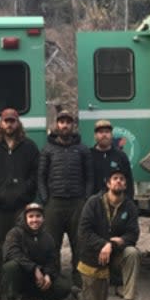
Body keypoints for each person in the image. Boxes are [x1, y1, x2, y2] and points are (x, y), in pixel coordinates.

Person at [0, 108, 40, 295]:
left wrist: (24, 191)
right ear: (1, 123)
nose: (9, 124)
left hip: (21, 206)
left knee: (23, 246)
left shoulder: (29, 147)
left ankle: (23, 290)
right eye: (6, 121)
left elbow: (35, 174)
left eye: (13, 121)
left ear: (18, 123)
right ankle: (0, 289)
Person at [76, 170, 141, 300]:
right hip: (94, 257)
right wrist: (104, 244)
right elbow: (83, 232)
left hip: (117, 254)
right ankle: (81, 295)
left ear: (125, 184)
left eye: (122, 179)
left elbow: (133, 234)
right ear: (108, 184)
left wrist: (112, 244)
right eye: (115, 178)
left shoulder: (130, 206)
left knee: (132, 253)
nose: (118, 181)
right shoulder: (93, 202)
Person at [38, 108, 92, 284]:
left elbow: (90, 177)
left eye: (68, 122)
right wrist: (46, 199)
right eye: (62, 122)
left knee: (79, 244)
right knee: (52, 246)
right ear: (57, 125)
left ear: (73, 125)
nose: (65, 125)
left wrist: (86, 199)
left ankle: (79, 283)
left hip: (77, 203)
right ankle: (54, 283)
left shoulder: (82, 149)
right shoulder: (48, 149)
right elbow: (41, 176)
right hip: (54, 203)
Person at [2, 202, 71, 300]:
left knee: (63, 287)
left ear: (43, 218)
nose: (35, 220)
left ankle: (31, 299)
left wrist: (48, 274)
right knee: (11, 266)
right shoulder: (15, 233)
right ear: (25, 218)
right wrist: (34, 268)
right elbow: (12, 253)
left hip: (37, 279)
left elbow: (52, 259)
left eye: (38, 216)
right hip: (20, 276)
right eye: (31, 216)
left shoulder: (47, 237)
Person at [89, 119, 134, 200]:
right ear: (95, 135)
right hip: (93, 204)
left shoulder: (121, 156)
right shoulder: (88, 155)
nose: (104, 135)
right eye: (101, 132)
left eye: (107, 132)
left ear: (111, 135)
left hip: (116, 202)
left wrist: (128, 202)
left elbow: (129, 182)